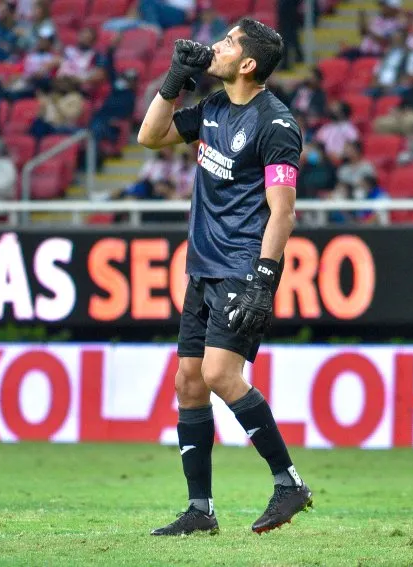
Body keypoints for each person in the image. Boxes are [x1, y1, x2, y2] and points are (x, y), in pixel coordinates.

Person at [137, 19, 312, 536]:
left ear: (248, 63)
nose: (217, 45)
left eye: (229, 42)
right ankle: (200, 510)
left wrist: (264, 279)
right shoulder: (213, 107)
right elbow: (150, 137)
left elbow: (283, 211)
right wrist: (174, 80)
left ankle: (288, 483)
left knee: (218, 374)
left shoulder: (277, 124)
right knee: (188, 383)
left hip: (242, 266)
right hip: (203, 266)